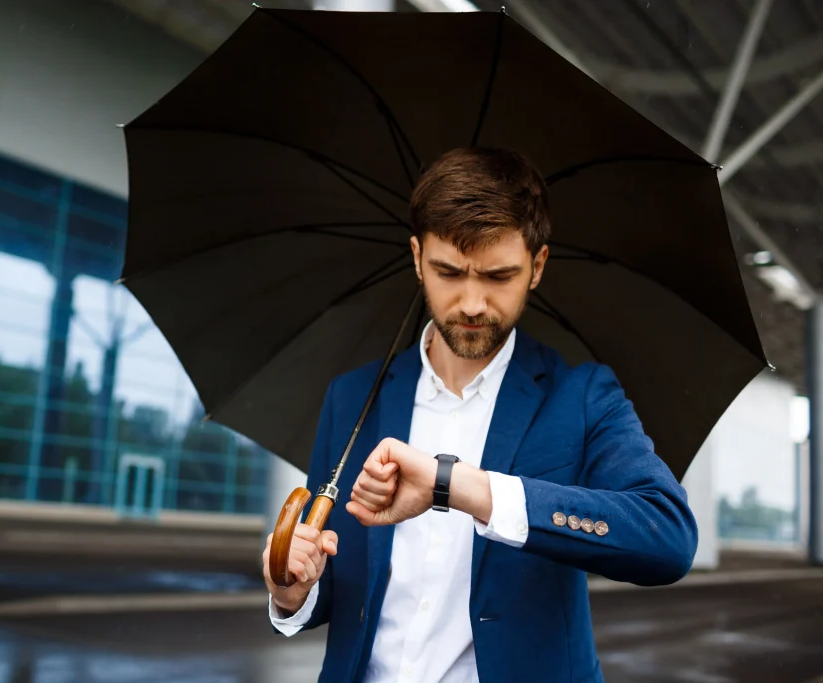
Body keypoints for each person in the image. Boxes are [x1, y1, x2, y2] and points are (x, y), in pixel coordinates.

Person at [260, 146, 699, 683]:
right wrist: (294, 592)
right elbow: (339, 586)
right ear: (417, 257)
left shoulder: (582, 396)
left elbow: (668, 537)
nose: (470, 303)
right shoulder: (352, 399)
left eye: (497, 276)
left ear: (536, 267)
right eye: (448, 272)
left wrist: (461, 488)